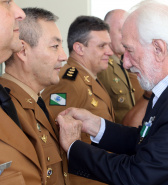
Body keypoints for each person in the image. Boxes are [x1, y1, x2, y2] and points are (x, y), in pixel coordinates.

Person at [56, 0, 168, 184]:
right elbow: (147, 139)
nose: (126, 63)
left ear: (158, 49)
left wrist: (74, 147)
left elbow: (137, 175)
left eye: (129, 50)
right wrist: (97, 126)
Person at [0, 7, 70, 185]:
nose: (63, 56)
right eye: (55, 46)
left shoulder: (34, 100)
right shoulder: (7, 107)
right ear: (23, 51)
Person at [42, 15, 114, 185]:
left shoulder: (89, 78)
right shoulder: (69, 81)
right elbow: (49, 134)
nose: (110, 52)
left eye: (109, 45)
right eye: (102, 46)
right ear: (79, 48)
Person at [97, 9, 147, 124]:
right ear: (106, 32)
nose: (127, 38)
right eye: (121, 31)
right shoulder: (102, 66)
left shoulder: (124, 64)